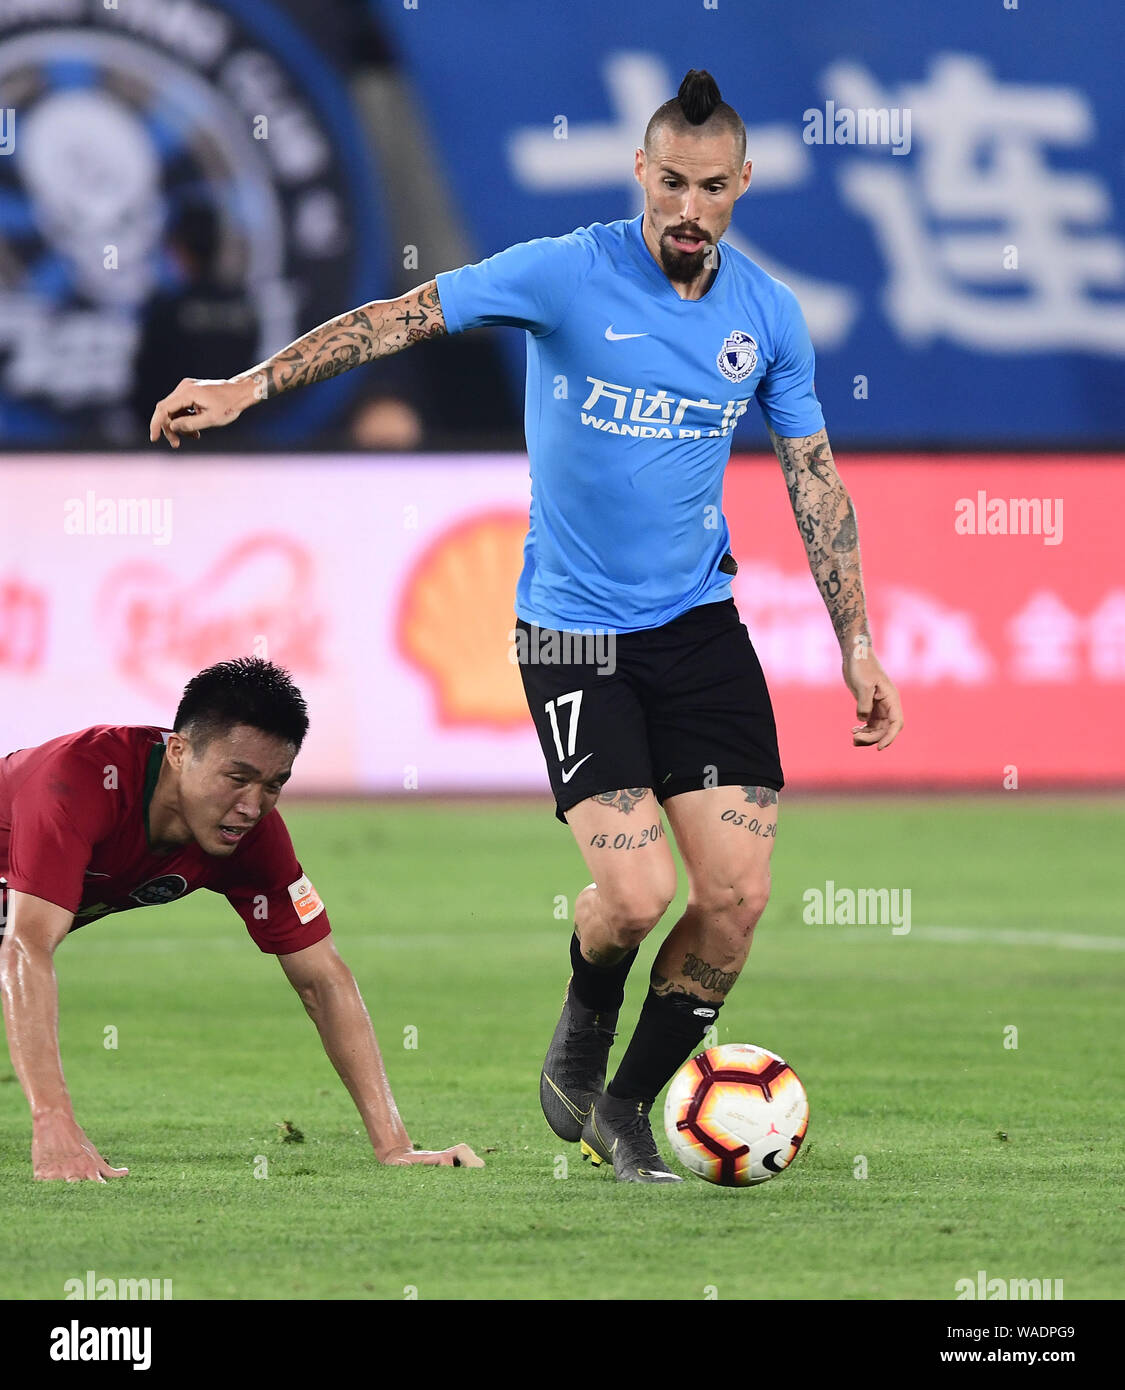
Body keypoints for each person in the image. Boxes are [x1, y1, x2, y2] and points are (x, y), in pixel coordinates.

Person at [149, 70, 904, 1183]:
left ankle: (627, 1108)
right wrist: (250, 387)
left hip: (699, 626)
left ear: (743, 185)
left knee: (736, 899)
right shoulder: (563, 271)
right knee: (638, 896)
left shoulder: (767, 316)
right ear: (641, 173)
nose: (688, 208)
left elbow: (815, 479)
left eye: (713, 188)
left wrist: (856, 640)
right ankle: (583, 1020)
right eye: (672, 183)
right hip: (573, 636)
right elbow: (398, 317)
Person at [0, 657, 482, 1182]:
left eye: (274, 784)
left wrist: (395, 1146)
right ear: (180, 752)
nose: (253, 806)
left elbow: (323, 979)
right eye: (237, 778)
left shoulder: (251, 838)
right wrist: (53, 1124)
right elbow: (26, 946)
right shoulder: (78, 783)